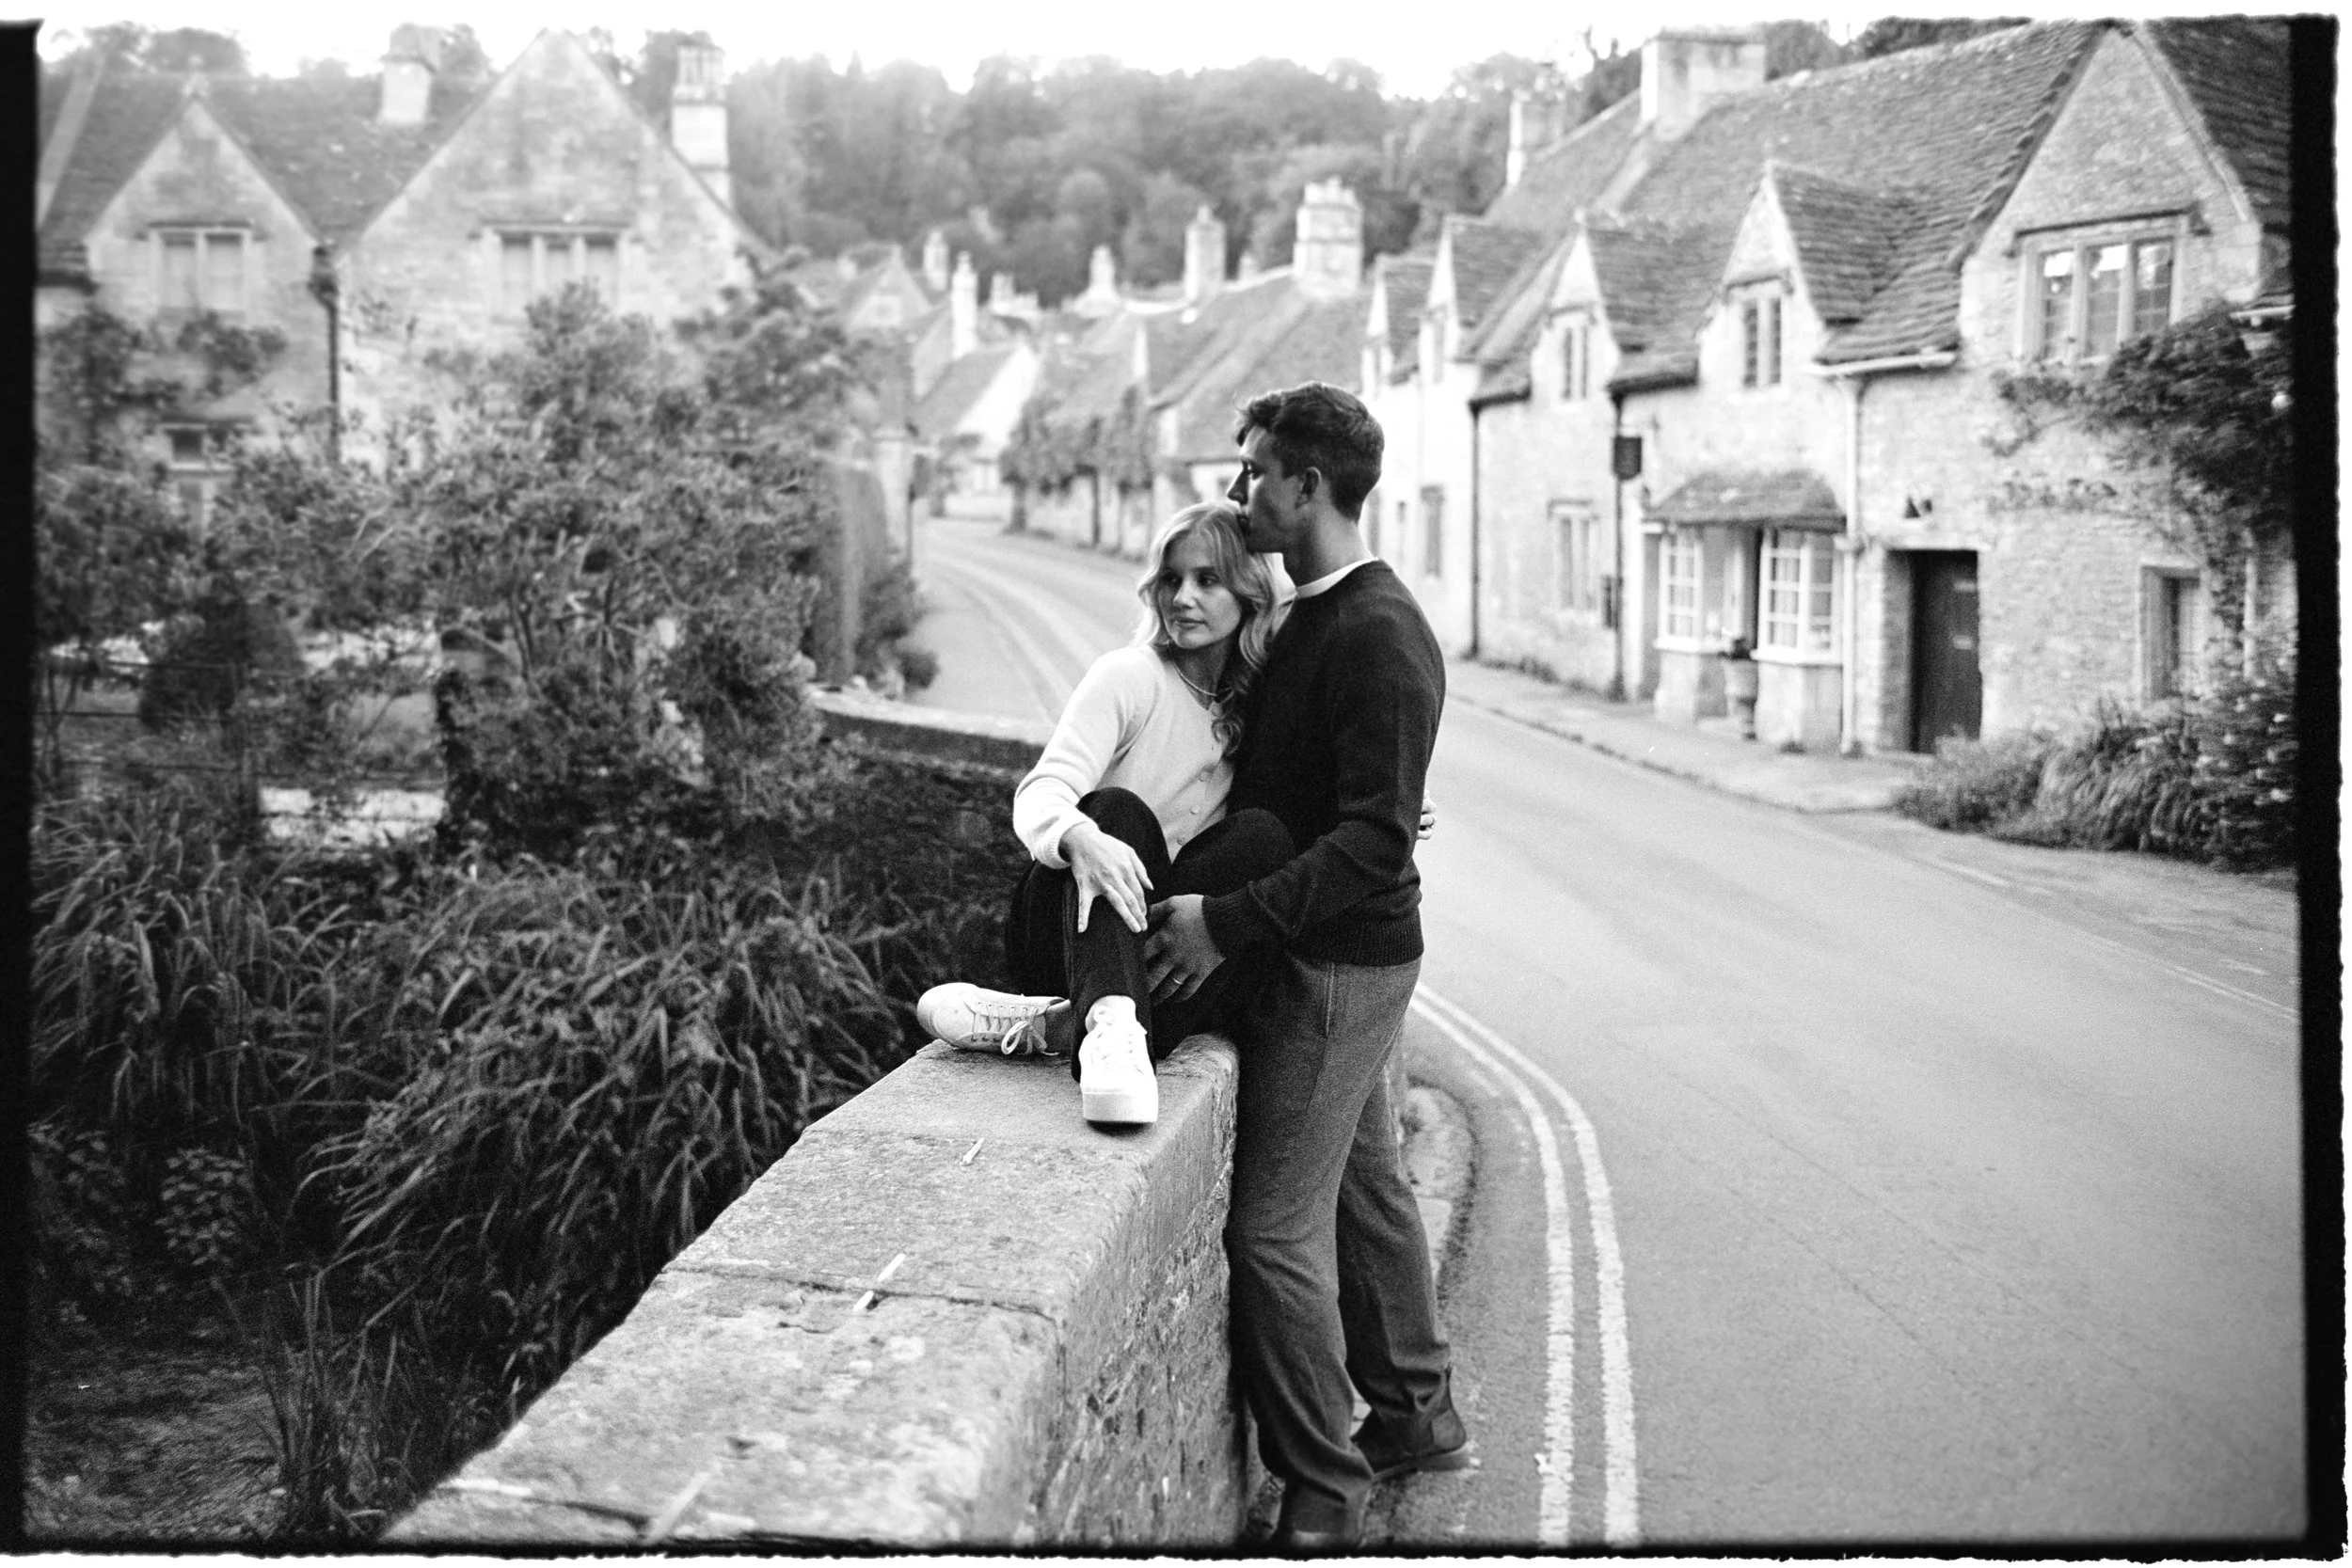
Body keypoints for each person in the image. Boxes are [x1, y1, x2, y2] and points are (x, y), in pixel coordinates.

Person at [1143, 382, 1465, 1548]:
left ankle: (1324, 1486)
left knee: (1273, 1229)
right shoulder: (1316, 616)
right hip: (1329, 952)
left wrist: (1223, 921)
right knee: (1364, 1183)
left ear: (1305, 486)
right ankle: (1417, 1411)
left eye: (1253, 474)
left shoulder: (1379, 634)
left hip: (1336, 967)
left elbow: (1375, 838)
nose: (1239, 492)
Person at [915, 501, 1295, 1128]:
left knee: (1263, 838)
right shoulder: (1129, 676)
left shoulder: (1256, 709)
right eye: (1171, 579)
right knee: (1119, 811)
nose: (1183, 597)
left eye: (1207, 580)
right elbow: (1040, 793)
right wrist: (1081, 837)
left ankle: (1056, 1024)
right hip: (1065, 921)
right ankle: (1111, 1028)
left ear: (1249, 596)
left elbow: (1316, 788)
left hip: (1152, 944)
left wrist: (1392, 798)